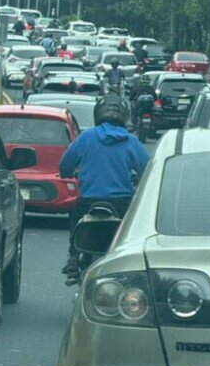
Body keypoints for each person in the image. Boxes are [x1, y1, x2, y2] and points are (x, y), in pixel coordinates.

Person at [59, 94, 149, 283]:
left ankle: (73, 258)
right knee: (128, 237)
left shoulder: (87, 137)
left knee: (75, 218)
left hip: (88, 202)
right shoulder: (131, 141)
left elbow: (65, 166)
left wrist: (70, 172)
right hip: (122, 204)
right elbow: (149, 170)